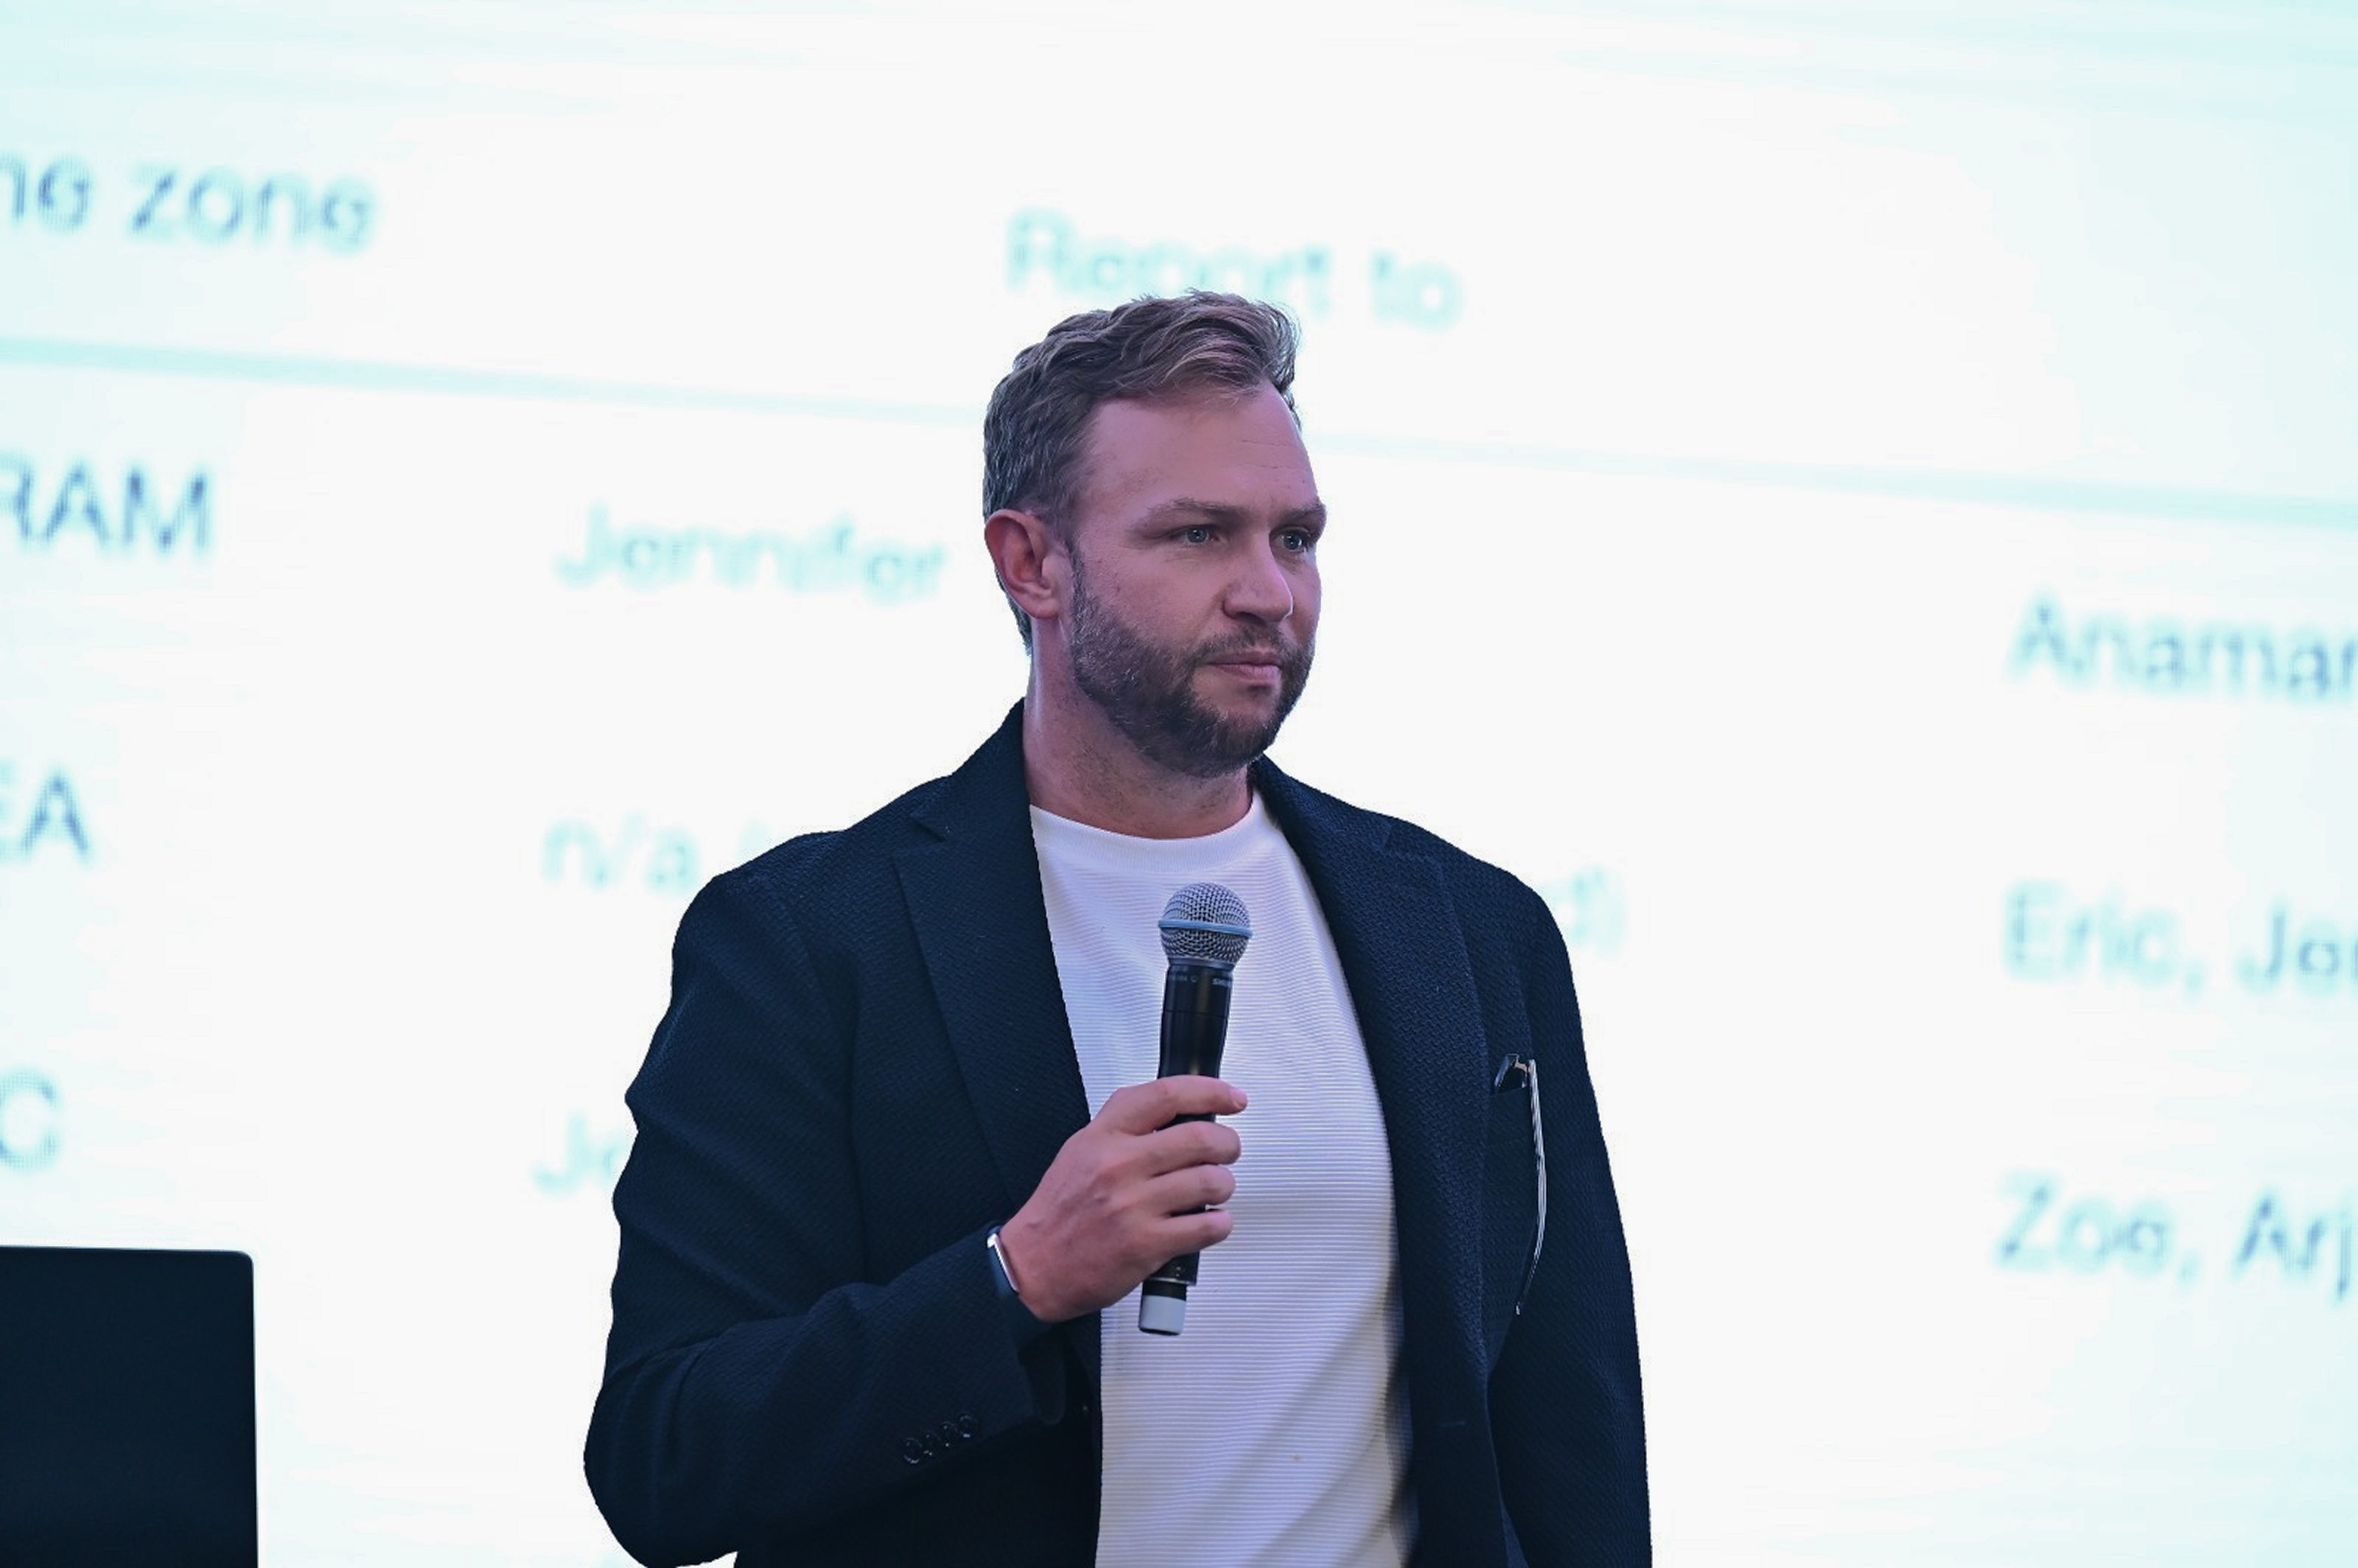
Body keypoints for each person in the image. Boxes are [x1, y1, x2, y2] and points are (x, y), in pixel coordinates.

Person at [585, 293, 1648, 1567]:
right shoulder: (810, 942)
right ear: (1031, 563)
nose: (1268, 592)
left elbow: (1573, 1435)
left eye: (1295, 538)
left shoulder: (1469, 932)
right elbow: (665, 1458)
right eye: (1198, 535)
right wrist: (1014, 1278)